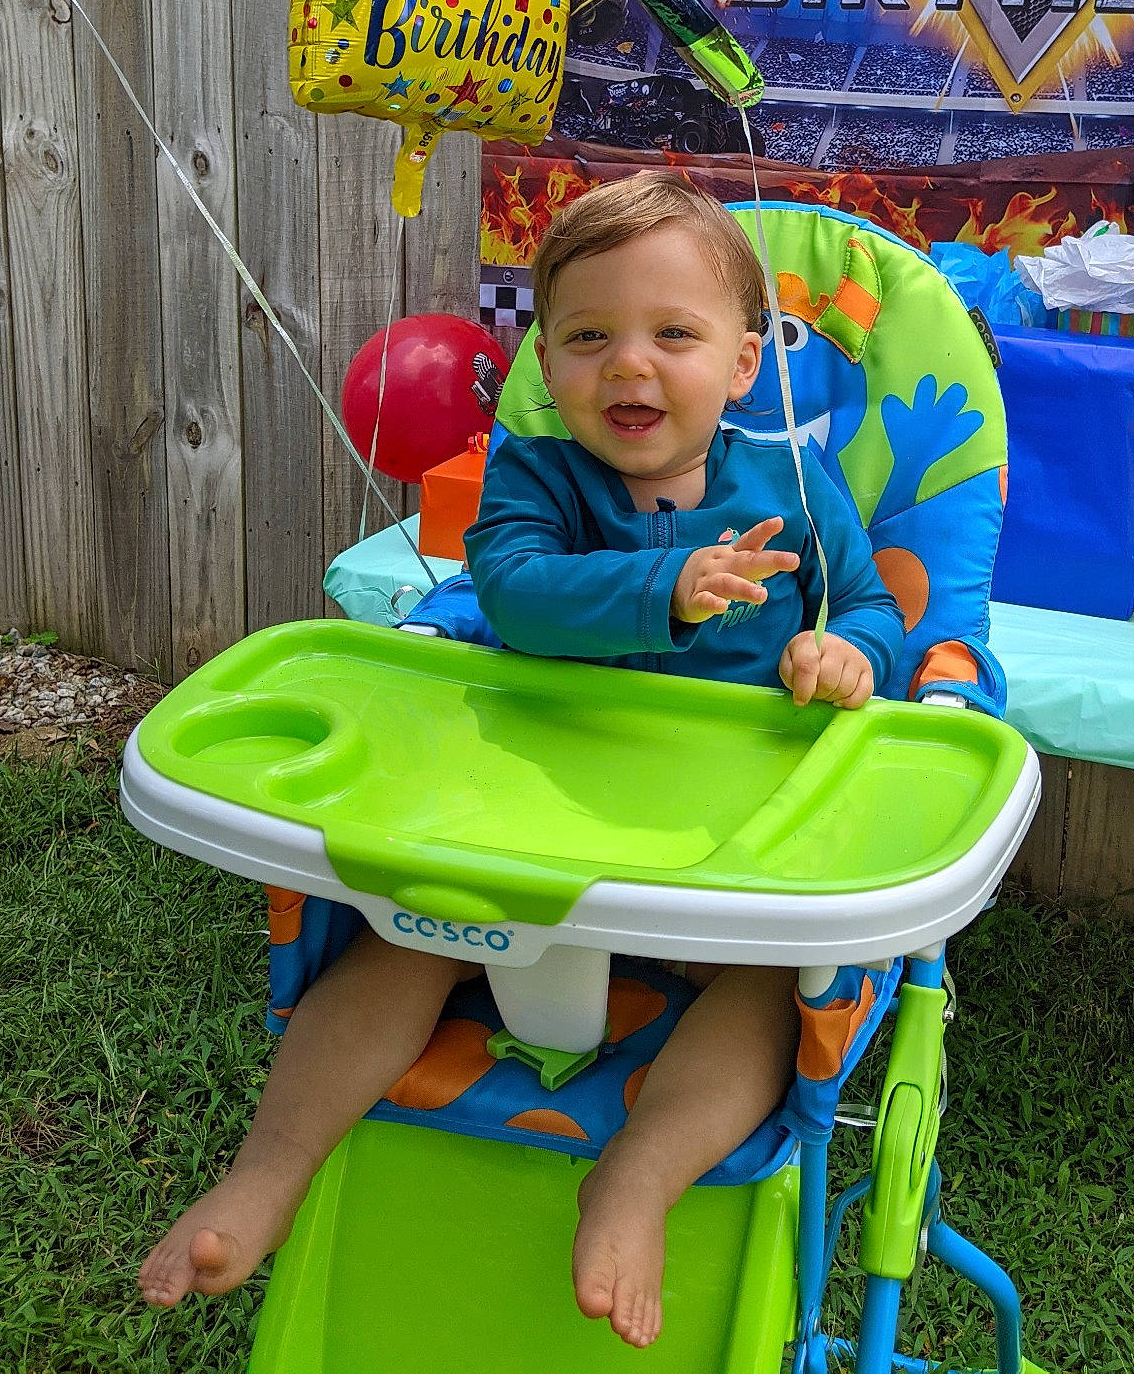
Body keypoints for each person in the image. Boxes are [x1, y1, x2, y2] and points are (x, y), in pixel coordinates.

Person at [139, 171, 904, 1350]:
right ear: (546, 362)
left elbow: (866, 608)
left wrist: (842, 651)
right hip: (534, 818)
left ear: (747, 363)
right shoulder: (535, 479)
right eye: (588, 336)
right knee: (406, 944)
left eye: (674, 334)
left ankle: (637, 1177)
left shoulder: (799, 491)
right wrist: (669, 587)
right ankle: (270, 1169)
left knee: (765, 991)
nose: (629, 366)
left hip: (719, 850)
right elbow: (517, 594)